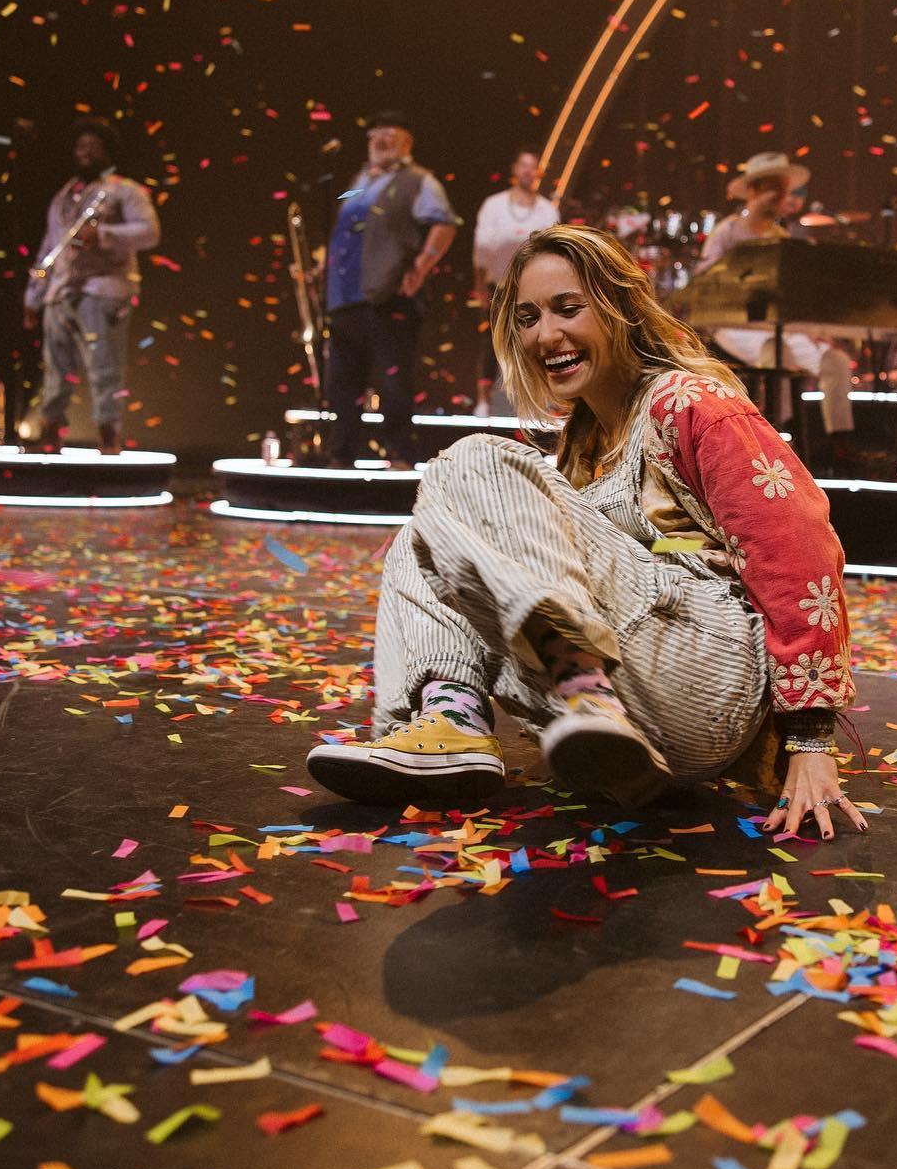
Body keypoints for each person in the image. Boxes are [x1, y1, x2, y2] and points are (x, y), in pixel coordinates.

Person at [307, 224, 867, 843]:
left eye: (567, 308)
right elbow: (639, 546)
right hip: (642, 706)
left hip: (711, 675)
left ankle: (583, 688)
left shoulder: (691, 404)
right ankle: (453, 719)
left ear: (618, 309)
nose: (545, 335)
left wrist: (812, 739)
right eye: (526, 318)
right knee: (425, 536)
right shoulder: (580, 440)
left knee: (471, 462)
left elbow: (797, 545)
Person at [322, 111, 460, 467]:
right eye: (375, 136)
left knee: (393, 379)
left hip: (389, 296)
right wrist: (321, 269)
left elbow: (444, 224)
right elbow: (345, 227)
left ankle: (399, 452)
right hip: (345, 299)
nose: (381, 142)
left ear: (406, 143)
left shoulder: (419, 181)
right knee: (342, 382)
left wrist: (421, 266)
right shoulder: (358, 182)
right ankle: (342, 453)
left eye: (390, 136)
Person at [697, 151, 857, 452]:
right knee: (776, 351)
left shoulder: (781, 236)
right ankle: (780, 438)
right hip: (735, 326)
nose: (784, 198)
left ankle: (838, 443)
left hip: (779, 326)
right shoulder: (728, 232)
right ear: (757, 191)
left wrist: (811, 328)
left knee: (835, 361)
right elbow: (704, 283)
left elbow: (794, 293)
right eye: (777, 190)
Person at [24, 117, 160, 454]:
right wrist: (33, 297)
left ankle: (109, 435)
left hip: (103, 290)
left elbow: (150, 233)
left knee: (104, 367)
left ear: (107, 153)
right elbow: (48, 249)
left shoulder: (125, 190)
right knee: (56, 369)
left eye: (93, 147)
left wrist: (103, 235)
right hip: (60, 292)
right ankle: (50, 432)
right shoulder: (62, 197)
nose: (85, 152)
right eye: (80, 146)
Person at [471, 145, 559, 417]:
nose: (528, 172)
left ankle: (543, 398)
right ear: (515, 169)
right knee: (493, 342)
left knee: (538, 340)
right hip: (499, 284)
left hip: (536, 288)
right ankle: (483, 401)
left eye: (533, 167)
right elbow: (481, 248)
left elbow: (554, 247)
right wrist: (479, 285)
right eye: (524, 165)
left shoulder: (546, 210)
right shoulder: (495, 205)